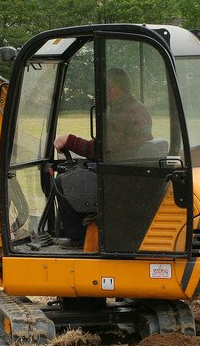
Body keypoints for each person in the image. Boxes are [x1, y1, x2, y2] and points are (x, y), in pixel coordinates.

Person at [52, 67, 152, 245]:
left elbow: (98, 151)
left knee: (62, 182)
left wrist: (69, 140)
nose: (100, 95)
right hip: (130, 170)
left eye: (102, 90)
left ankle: (78, 238)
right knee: (77, 172)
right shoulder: (137, 107)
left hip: (118, 178)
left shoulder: (120, 113)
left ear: (113, 89)